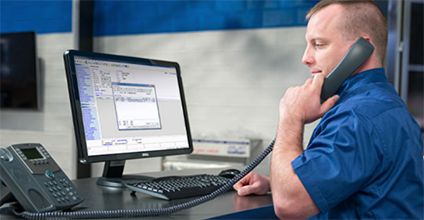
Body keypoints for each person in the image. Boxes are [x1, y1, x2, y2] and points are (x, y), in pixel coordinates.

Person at [233, 0, 424, 219]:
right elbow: (358, 179)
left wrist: (291, 116)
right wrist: (274, 183)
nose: (305, 58)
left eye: (319, 44)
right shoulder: (389, 106)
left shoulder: (356, 117)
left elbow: (288, 205)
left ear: (361, 50)